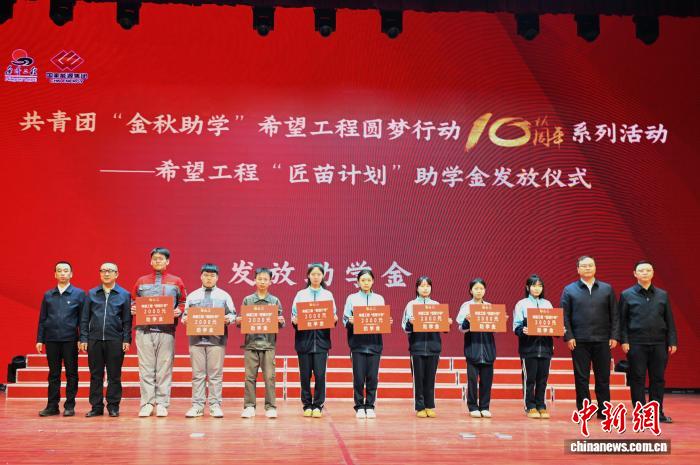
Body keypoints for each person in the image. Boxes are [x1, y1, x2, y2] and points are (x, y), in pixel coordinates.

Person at [619, 260, 678, 423]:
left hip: (659, 343)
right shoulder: (626, 295)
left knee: (658, 378)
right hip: (636, 343)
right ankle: (640, 413)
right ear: (635, 274)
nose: (645, 273)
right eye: (641, 270)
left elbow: (669, 319)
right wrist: (624, 340)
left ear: (653, 273)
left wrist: (672, 340)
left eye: (648, 270)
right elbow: (622, 321)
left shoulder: (662, 295)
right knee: (637, 378)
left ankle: (656, 412)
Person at [131, 247, 187, 418]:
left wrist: (179, 310)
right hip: (144, 331)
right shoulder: (141, 281)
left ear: (167, 261)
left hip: (166, 331)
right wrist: (133, 308)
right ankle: (147, 403)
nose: (157, 261)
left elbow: (183, 301)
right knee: (146, 368)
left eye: (161, 258)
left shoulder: (176, 281)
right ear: (151, 261)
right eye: (155, 258)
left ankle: (162, 403)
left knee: (164, 368)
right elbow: (133, 300)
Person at [561, 256, 619, 418]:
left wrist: (614, 335)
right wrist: (569, 336)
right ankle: (584, 409)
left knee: (603, 377)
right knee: (581, 378)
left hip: (603, 340)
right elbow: (564, 315)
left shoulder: (606, 289)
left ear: (595, 268)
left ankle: (604, 410)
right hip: (579, 340)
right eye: (584, 266)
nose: (587, 268)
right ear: (578, 269)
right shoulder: (569, 290)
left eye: (590, 265)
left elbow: (615, 314)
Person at [181, 263, 235, 418]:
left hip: (216, 340)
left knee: (215, 375)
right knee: (197, 374)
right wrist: (185, 320)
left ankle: (214, 405)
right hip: (196, 340)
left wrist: (228, 319)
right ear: (201, 276)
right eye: (206, 275)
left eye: (212, 275)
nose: (209, 278)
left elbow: (232, 314)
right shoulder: (192, 296)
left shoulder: (224, 296)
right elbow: (185, 316)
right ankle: (197, 406)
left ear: (217, 277)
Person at [79, 263, 132, 417]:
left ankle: (113, 406)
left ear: (117, 274)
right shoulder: (91, 293)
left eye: (110, 271)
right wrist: (84, 338)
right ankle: (96, 406)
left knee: (114, 375)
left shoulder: (124, 294)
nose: (106, 274)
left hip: (115, 340)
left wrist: (126, 339)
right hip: (94, 340)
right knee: (95, 375)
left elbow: (127, 320)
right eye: (103, 271)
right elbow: (84, 318)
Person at [36, 261, 86, 417]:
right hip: (51, 339)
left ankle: (70, 406)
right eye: (59, 271)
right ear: (55, 274)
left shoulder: (79, 294)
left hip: (70, 340)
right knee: (53, 374)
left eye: (66, 271)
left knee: (72, 373)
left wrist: (82, 338)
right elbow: (43, 319)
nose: (62, 273)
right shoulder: (48, 295)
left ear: (71, 274)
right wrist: (40, 339)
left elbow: (82, 319)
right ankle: (52, 406)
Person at [291, 263, 338, 418]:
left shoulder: (328, 295)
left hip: (321, 342)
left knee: (320, 375)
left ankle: (318, 405)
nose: (316, 277)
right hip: (304, 341)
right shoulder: (301, 294)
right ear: (308, 276)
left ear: (323, 276)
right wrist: (295, 320)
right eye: (313, 274)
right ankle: (307, 405)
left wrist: (334, 318)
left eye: (319, 274)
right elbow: (294, 315)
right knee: (304, 375)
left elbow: (333, 315)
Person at [238, 267, 285, 419]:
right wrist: (239, 320)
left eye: (265, 279)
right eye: (259, 279)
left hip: (268, 345)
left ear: (270, 282)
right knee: (249, 377)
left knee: (269, 377)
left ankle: (270, 407)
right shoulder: (248, 300)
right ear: (254, 280)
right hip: (251, 345)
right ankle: (249, 406)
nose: (262, 282)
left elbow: (281, 322)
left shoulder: (274, 301)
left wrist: (280, 321)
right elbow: (240, 321)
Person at [402, 276, 451, 418]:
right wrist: (410, 323)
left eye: (428, 286)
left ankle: (429, 406)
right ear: (417, 288)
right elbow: (405, 327)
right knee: (418, 378)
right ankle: (420, 407)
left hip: (433, 347)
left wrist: (447, 322)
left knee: (430, 378)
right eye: (422, 286)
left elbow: (444, 328)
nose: (425, 288)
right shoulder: (411, 305)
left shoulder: (436, 305)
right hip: (417, 347)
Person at [343, 269, 389, 419]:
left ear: (373, 281)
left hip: (375, 345)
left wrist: (386, 321)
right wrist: (350, 321)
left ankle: (370, 405)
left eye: (368, 280)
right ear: (358, 282)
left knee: (372, 377)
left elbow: (381, 320)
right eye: (363, 280)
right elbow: (345, 320)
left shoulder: (379, 299)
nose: (366, 283)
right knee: (358, 378)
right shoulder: (352, 298)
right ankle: (359, 406)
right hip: (357, 345)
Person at [513, 275, 555, 419]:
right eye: (534, 285)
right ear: (527, 287)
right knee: (529, 379)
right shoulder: (521, 304)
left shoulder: (547, 304)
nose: (537, 288)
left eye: (540, 286)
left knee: (543, 379)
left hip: (546, 348)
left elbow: (553, 324)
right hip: (528, 348)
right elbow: (516, 326)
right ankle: (530, 406)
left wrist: (559, 329)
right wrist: (522, 330)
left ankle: (541, 405)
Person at [456, 278, 498, 418]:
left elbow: (495, 329)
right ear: (471, 290)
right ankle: (473, 406)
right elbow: (461, 328)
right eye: (476, 288)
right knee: (472, 381)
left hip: (488, 349)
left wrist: (500, 321)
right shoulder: (466, 306)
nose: (479, 291)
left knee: (487, 381)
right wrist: (467, 321)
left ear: (485, 291)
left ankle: (485, 407)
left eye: (481, 288)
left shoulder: (490, 307)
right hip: (472, 350)